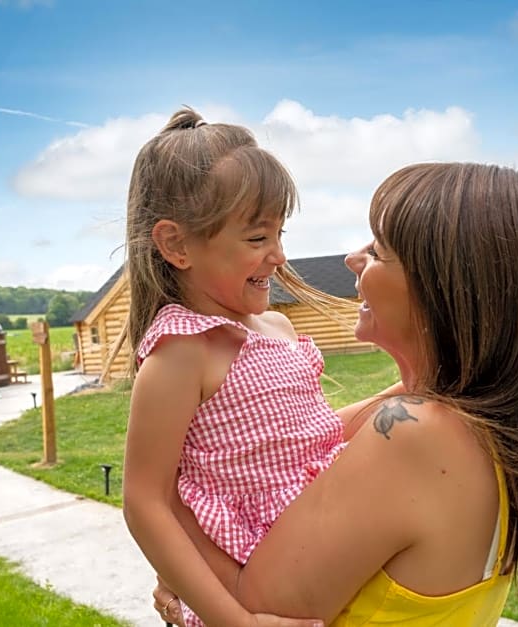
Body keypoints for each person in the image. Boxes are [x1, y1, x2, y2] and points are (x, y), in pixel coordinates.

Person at [155, 162, 518, 626]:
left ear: (449, 286)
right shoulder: (478, 416)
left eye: (380, 249)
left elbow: (260, 610)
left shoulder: (418, 436)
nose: (352, 259)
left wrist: (171, 515)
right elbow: (296, 439)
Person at [120, 107, 390, 627]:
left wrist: (404, 394)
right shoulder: (182, 350)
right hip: (250, 588)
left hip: (314, 547)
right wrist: (235, 623)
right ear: (177, 245)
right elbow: (145, 503)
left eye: (280, 234)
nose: (279, 256)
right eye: (257, 239)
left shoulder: (278, 330)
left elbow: (316, 437)